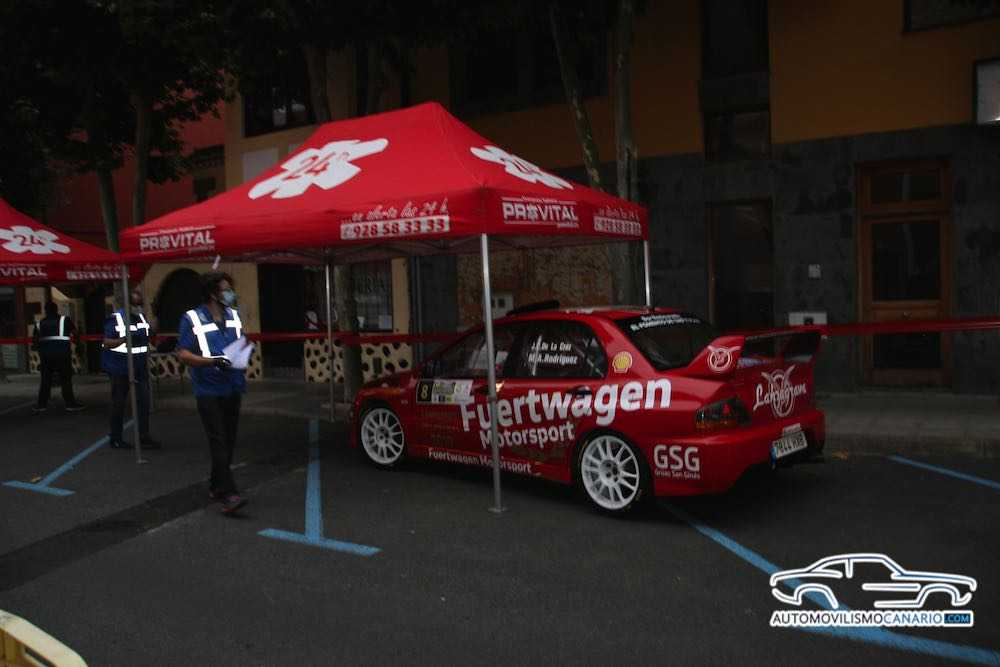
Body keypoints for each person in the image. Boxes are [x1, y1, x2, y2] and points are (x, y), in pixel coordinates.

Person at [176, 271, 248, 515]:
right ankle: (228, 494)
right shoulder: (192, 318)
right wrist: (213, 361)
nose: (230, 293)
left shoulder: (233, 316)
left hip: (233, 385)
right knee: (218, 440)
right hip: (208, 388)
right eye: (226, 289)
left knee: (228, 441)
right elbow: (183, 353)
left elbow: (240, 342)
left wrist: (242, 354)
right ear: (212, 293)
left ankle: (216, 486)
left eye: (230, 289)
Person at [102, 285, 160, 450]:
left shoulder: (141, 317)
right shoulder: (116, 318)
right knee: (118, 403)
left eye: (140, 300)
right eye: (136, 298)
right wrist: (122, 339)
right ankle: (116, 437)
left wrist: (156, 316)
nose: (140, 302)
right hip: (120, 367)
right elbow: (106, 342)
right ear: (127, 301)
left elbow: (150, 335)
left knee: (144, 401)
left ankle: (143, 436)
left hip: (140, 366)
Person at [32, 302, 85, 413]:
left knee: (45, 380)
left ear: (45, 311)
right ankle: (70, 404)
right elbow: (75, 334)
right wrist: (79, 346)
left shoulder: (39, 323)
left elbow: (35, 343)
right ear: (56, 309)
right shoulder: (65, 320)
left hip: (46, 356)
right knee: (65, 379)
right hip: (62, 354)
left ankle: (41, 405)